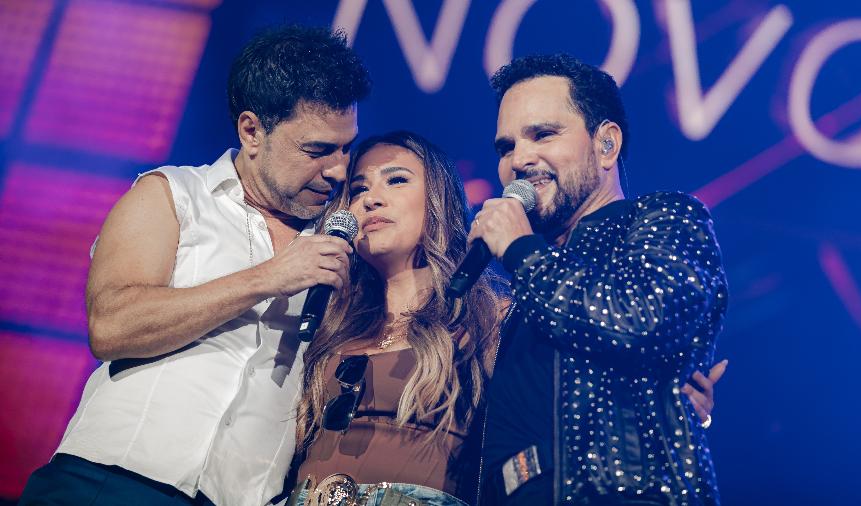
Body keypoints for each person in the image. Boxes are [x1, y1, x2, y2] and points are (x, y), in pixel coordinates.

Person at [19, 26, 370, 506]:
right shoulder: (174, 194)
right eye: (317, 150)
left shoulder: (340, 243)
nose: (338, 170)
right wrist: (268, 278)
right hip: (113, 482)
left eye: (346, 148)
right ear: (252, 131)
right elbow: (111, 326)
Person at [471, 54, 728, 505]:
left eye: (543, 134)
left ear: (606, 144)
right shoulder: (527, 287)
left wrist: (520, 249)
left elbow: (638, 320)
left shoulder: (666, 219)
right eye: (506, 147)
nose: (519, 160)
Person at [288, 131, 503, 506]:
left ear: (439, 200)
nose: (370, 199)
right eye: (359, 189)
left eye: (397, 180)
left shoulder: (488, 317)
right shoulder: (328, 319)